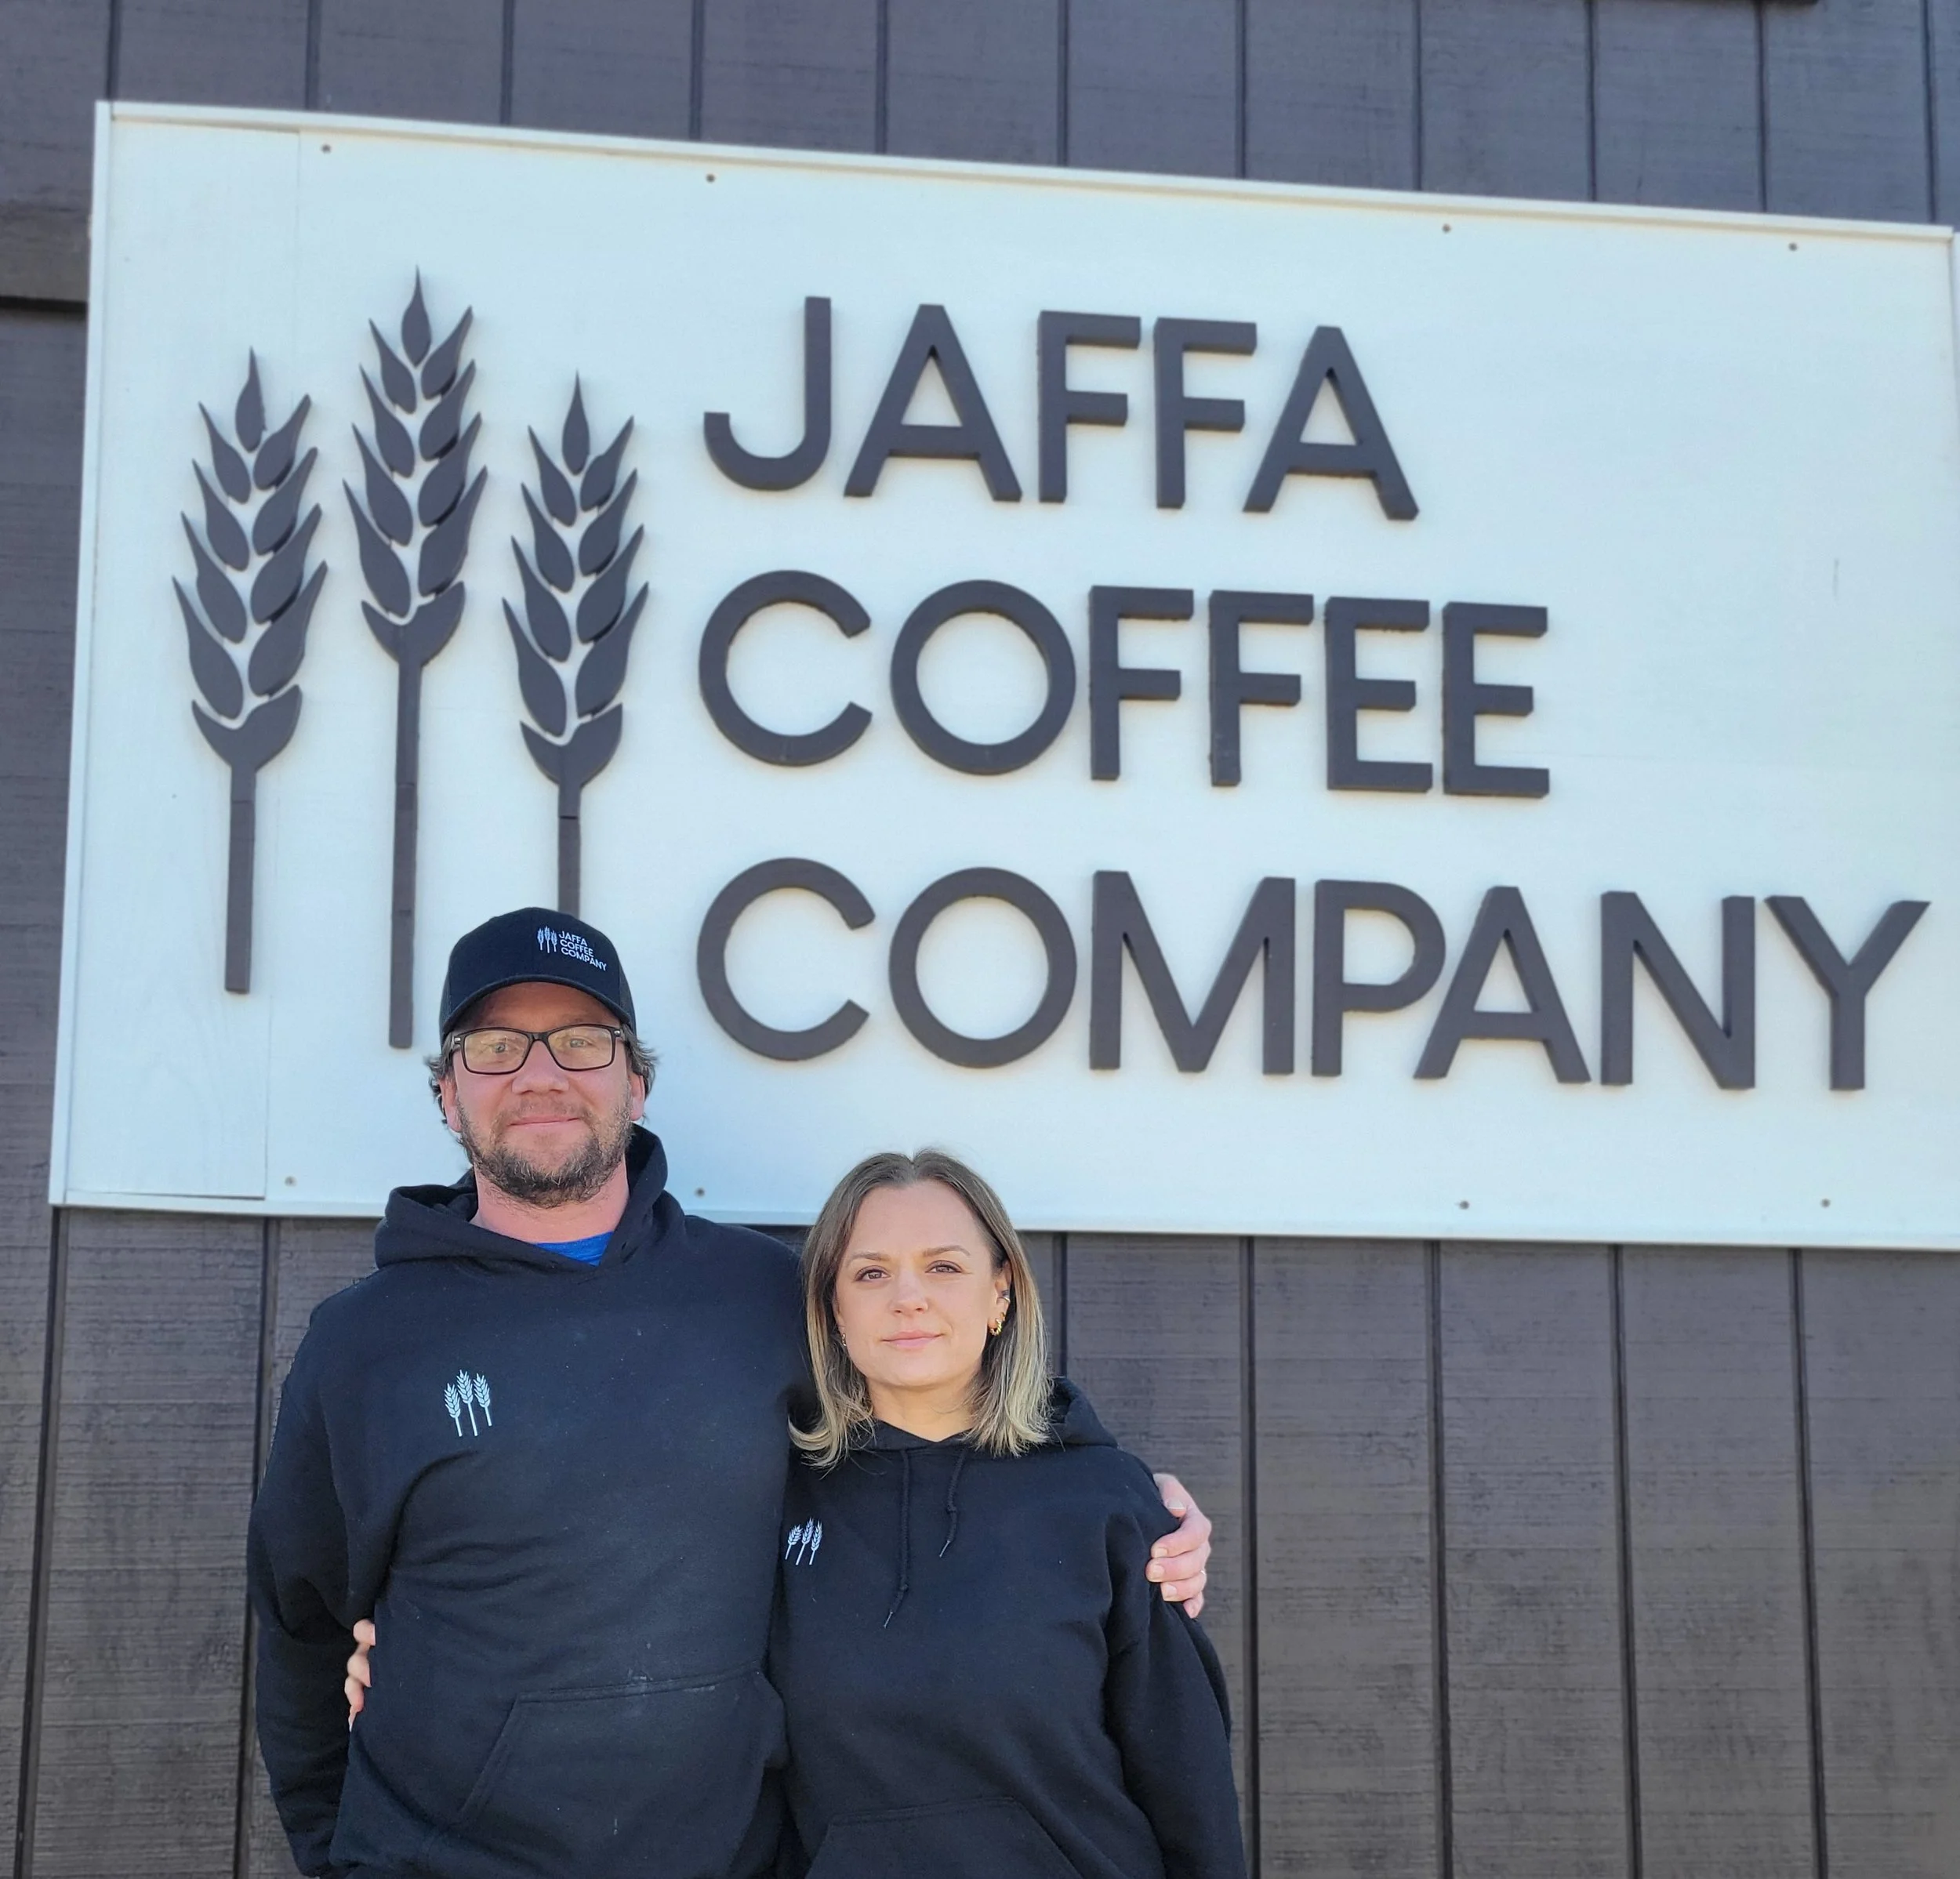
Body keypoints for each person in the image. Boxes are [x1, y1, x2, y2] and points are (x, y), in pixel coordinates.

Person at [251, 905, 1212, 1879]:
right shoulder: (364, 1344)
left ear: (637, 1080)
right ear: (447, 1094)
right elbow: (301, 1626)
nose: (540, 1075)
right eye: (495, 1047)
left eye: (582, 1042)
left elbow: (936, 1371)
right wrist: (336, 1858)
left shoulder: (761, 1294)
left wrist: (1125, 1493)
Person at [768, 1149, 1245, 1879]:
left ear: (1002, 1294)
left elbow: (1189, 1777)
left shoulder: (1107, 1503)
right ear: (835, 1311)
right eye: (870, 1272)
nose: (908, 1297)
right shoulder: (774, 1503)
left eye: (944, 1267)